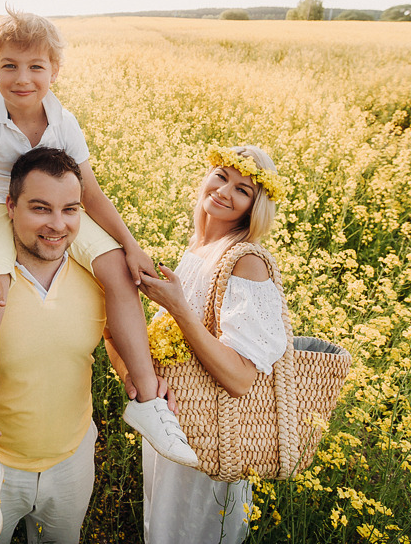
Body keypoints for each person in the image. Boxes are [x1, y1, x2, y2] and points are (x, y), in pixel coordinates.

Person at [0, 10, 196, 543]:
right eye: (9, 65)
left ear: (54, 71)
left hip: (56, 208)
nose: (22, 78)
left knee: (115, 270)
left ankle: (149, 402)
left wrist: (129, 244)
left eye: (36, 66)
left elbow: (88, 190)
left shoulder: (63, 119)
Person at [0, 148, 177, 544]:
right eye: (40, 208)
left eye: (70, 210)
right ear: (10, 207)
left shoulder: (99, 279)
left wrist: (131, 377)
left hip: (74, 462)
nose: (57, 225)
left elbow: (110, 333)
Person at [107, 144, 289, 544]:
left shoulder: (247, 261)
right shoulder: (199, 249)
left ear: (253, 208)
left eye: (242, 190)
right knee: (164, 529)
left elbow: (241, 378)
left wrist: (177, 307)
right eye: (222, 176)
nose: (225, 191)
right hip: (177, 422)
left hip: (214, 434)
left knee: (194, 531)